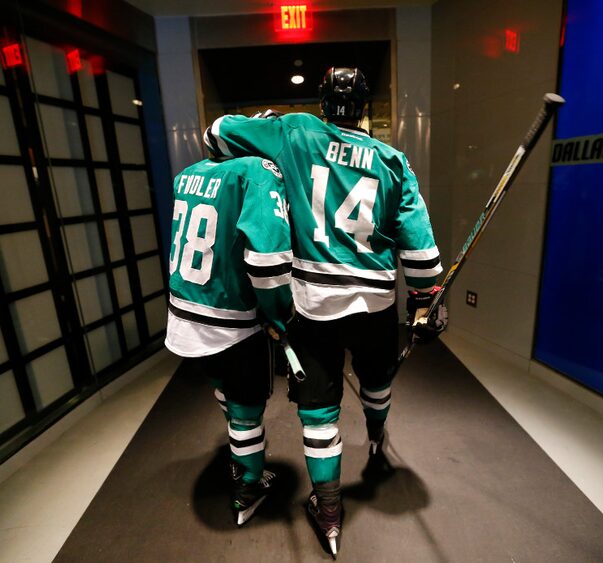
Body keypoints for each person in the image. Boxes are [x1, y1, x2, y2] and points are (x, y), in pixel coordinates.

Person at [204, 67, 447, 556]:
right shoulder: (393, 159)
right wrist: (426, 301)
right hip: (378, 302)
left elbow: (217, 134)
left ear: (322, 100)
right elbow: (421, 254)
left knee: (318, 410)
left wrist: (265, 123)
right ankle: (377, 438)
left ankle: (329, 507)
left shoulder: (295, 130)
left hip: (312, 305)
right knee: (377, 379)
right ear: (362, 106)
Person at [164, 154, 293, 527]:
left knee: (223, 387)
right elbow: (267, 260)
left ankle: (241, 449)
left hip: (187, 308)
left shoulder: (187, 173)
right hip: (231, 316)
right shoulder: (257, 171)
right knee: (247, 406)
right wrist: (278, 312)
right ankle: (249, 484)